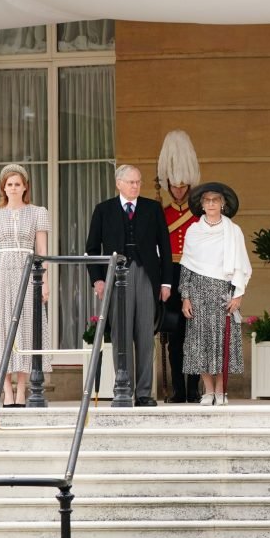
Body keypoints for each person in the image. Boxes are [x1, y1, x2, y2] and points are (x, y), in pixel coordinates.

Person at [85, 164, 172, 407]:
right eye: (131, 182)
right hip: (116, 275)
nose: (136, 186)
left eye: (138, 182)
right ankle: (123, 389)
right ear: (119, 184)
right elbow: (92, 249)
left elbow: (164, 247)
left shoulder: (152, 208)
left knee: (145, 334)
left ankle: (144, 393)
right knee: (121, 334)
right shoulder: (103, 210)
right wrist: (98, 279)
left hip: (146, 275)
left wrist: (165, 282)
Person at [0, 164, 51, 407]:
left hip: (29, 271)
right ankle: (6, 391)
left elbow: (42, 251)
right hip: (0, 272)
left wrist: (46, 281)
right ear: (3, 187)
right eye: (9, 184)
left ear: (25, 186)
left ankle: (22, 390)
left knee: (27, 327)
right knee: (2, 330)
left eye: (17, 184)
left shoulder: (38, 212)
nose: (13, 188)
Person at [180, 183, 252, 406]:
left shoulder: (234, 231)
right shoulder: (193, 231)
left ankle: (221, 391)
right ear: (201, 205)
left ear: (223, 204)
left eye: (215, 200)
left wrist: (238, 295)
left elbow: (241, 264)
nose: (211, 204)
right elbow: (186, 266)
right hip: (198, 292)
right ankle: (208, 391)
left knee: (221, 342)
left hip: (223, 292)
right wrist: (185, 297)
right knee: (200, 342)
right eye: (207, 200)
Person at [156, 130, 202, 404]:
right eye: (174, 185)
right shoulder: (162, 214)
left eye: (183, 186)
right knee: (174, 337)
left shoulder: (198, 214)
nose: (179, 190)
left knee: (194, 336)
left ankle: (194, 388)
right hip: (171, 276)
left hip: (194, 273)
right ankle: (178, 390)